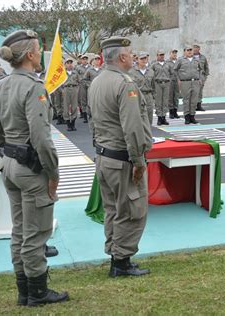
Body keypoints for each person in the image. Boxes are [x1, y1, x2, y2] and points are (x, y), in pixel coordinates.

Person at [0, 29, 69, 306]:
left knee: (20, 230)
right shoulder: (34, 87)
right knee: (36, 233)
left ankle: (24, 290)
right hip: (32, 169)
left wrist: (1, 158)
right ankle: (37, 292)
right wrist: (53, 172)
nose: (40, 55)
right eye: (38, 50)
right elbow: (41, 138)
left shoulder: (0, 85)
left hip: (10, 164)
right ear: (31, 55)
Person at [88, 36, 153, 277]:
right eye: (131, 53)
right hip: (123, 159)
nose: (134, 56)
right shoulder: (125, 84)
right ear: (122, 57)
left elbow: (94, 122)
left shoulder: (97, 81)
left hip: (104, 156)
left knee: (113, 209)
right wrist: (138, 161)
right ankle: (121, 261)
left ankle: (115, 255)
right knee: (132, 210)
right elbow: (132, 127)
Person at [175, 45, 203, 124]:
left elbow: (201, 69)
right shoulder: (180, 60)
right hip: (185, 82)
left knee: (194, 100)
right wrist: (178, 79)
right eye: (188, 50)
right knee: (186, 100)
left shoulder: (196, 60)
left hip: (195, 82)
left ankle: (192, 116)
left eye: (191, 50)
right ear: (184, 52)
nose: (190, 51)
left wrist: (200, 78)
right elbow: (175, 70)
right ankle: (187, 117)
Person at [128, 52, 155, 126]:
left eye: (145, 58)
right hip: (137, 95)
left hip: (148, 95)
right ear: (137, 60)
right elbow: (130, 87)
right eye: (141, 58)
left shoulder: (151, 71)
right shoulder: (131, 72)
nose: (143, 60)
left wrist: (153, 97)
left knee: (149, 116)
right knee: (138, 117)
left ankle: (148, 135)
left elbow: (153, 86)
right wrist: (132, 99)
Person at [151, 49, 173, 125]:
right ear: (157, 56)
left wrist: (169, 79)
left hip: (166, 83)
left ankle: (164, 117)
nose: (162, 56)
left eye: (163, 55)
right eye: (160, 55)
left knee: (165, 101)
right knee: (158, 101)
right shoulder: (154, 64)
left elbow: (172, 73)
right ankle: (159, 117)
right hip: (158, 83)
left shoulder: (168, 64)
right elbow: (150, 74)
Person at [61, 58, 80, 131]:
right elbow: (59, 84)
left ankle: (73, 123)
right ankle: (68, 124)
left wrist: (77, 89)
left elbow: (79, 81)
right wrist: (62, 90)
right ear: (65, 64)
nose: (69, 64)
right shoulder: (62, 73)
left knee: (74, 106)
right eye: (68, 63)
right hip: (66, 89)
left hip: (74, 89)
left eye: (70, 63)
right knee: (66, 106)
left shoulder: (75, 73)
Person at [193, 44, 209, 111]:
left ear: (199, 49)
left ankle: (199, 105)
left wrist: (205, 77)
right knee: (193, 91)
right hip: (193, 76)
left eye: (197, 48)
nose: (196, 49)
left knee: (200, 91)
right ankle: (193, 106)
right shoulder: (190, 57)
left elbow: (206, 67)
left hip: (201, 76)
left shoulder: (203, 57)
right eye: (194, 48)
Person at [76, 53, 90, 122]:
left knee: (89, 100)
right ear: (81, 60)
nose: (84, 60)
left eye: (86, 59)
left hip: (89, 85)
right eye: (83, 59)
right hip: (82, 85)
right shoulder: (78, 68)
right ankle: (84, 116)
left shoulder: (90, 67)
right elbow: (76, 76)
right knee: (83, 100)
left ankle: (90, 114)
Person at [167, 49, 180, 118]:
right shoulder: (167, 62)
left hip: (177, 80)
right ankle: (171, 112)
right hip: (170, 81)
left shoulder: (179, 61)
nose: (174, 54)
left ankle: (175, 111)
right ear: (170, 54)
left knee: (176, 96)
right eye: (173, 53)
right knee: (170, 96)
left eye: (175, 53)